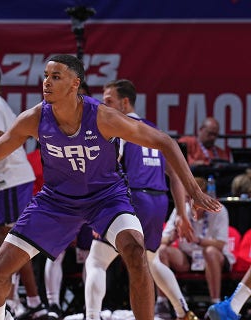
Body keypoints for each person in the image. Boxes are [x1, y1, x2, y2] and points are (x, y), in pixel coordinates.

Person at [0, 54, 222, 320]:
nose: (47, 82)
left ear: (75, 83)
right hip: (56, 202)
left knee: (135, 251)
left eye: (56, 77)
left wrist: (194, 192)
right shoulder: (36, 118)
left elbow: (165, 141)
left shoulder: (103, 117)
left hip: (106, 198)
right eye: (45, 76)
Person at [84, 79, 198, 320]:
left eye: (109, 102)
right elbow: (175, 176)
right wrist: (182, 215)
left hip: (132, 199)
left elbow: (108, 171)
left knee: (96, 261)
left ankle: (91, 317)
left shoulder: (119, 129)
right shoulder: (155, 131)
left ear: (125, 102)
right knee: (151, 261)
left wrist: (101, 211)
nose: (105, 107)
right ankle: (184, 312)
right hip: (158, 203)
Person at [0, 65, 41, 319]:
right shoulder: (0, 102)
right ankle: (23, 300)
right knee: (9, 242)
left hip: (12, 180)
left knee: (12, 244)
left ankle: (24, 302)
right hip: (13, 180)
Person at [158, 176, 235, 306]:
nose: (189, 202)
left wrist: (197, 240)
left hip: (215, 259)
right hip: (188, 256)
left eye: (192, 198)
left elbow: (221, 244)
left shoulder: (218, 209)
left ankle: (215, 303)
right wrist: (173, 236)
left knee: (210, 252)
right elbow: (163, 240)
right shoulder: (181, 210)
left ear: (204, 196)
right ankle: (162, 303)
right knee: (162, 251)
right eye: (187, 198)